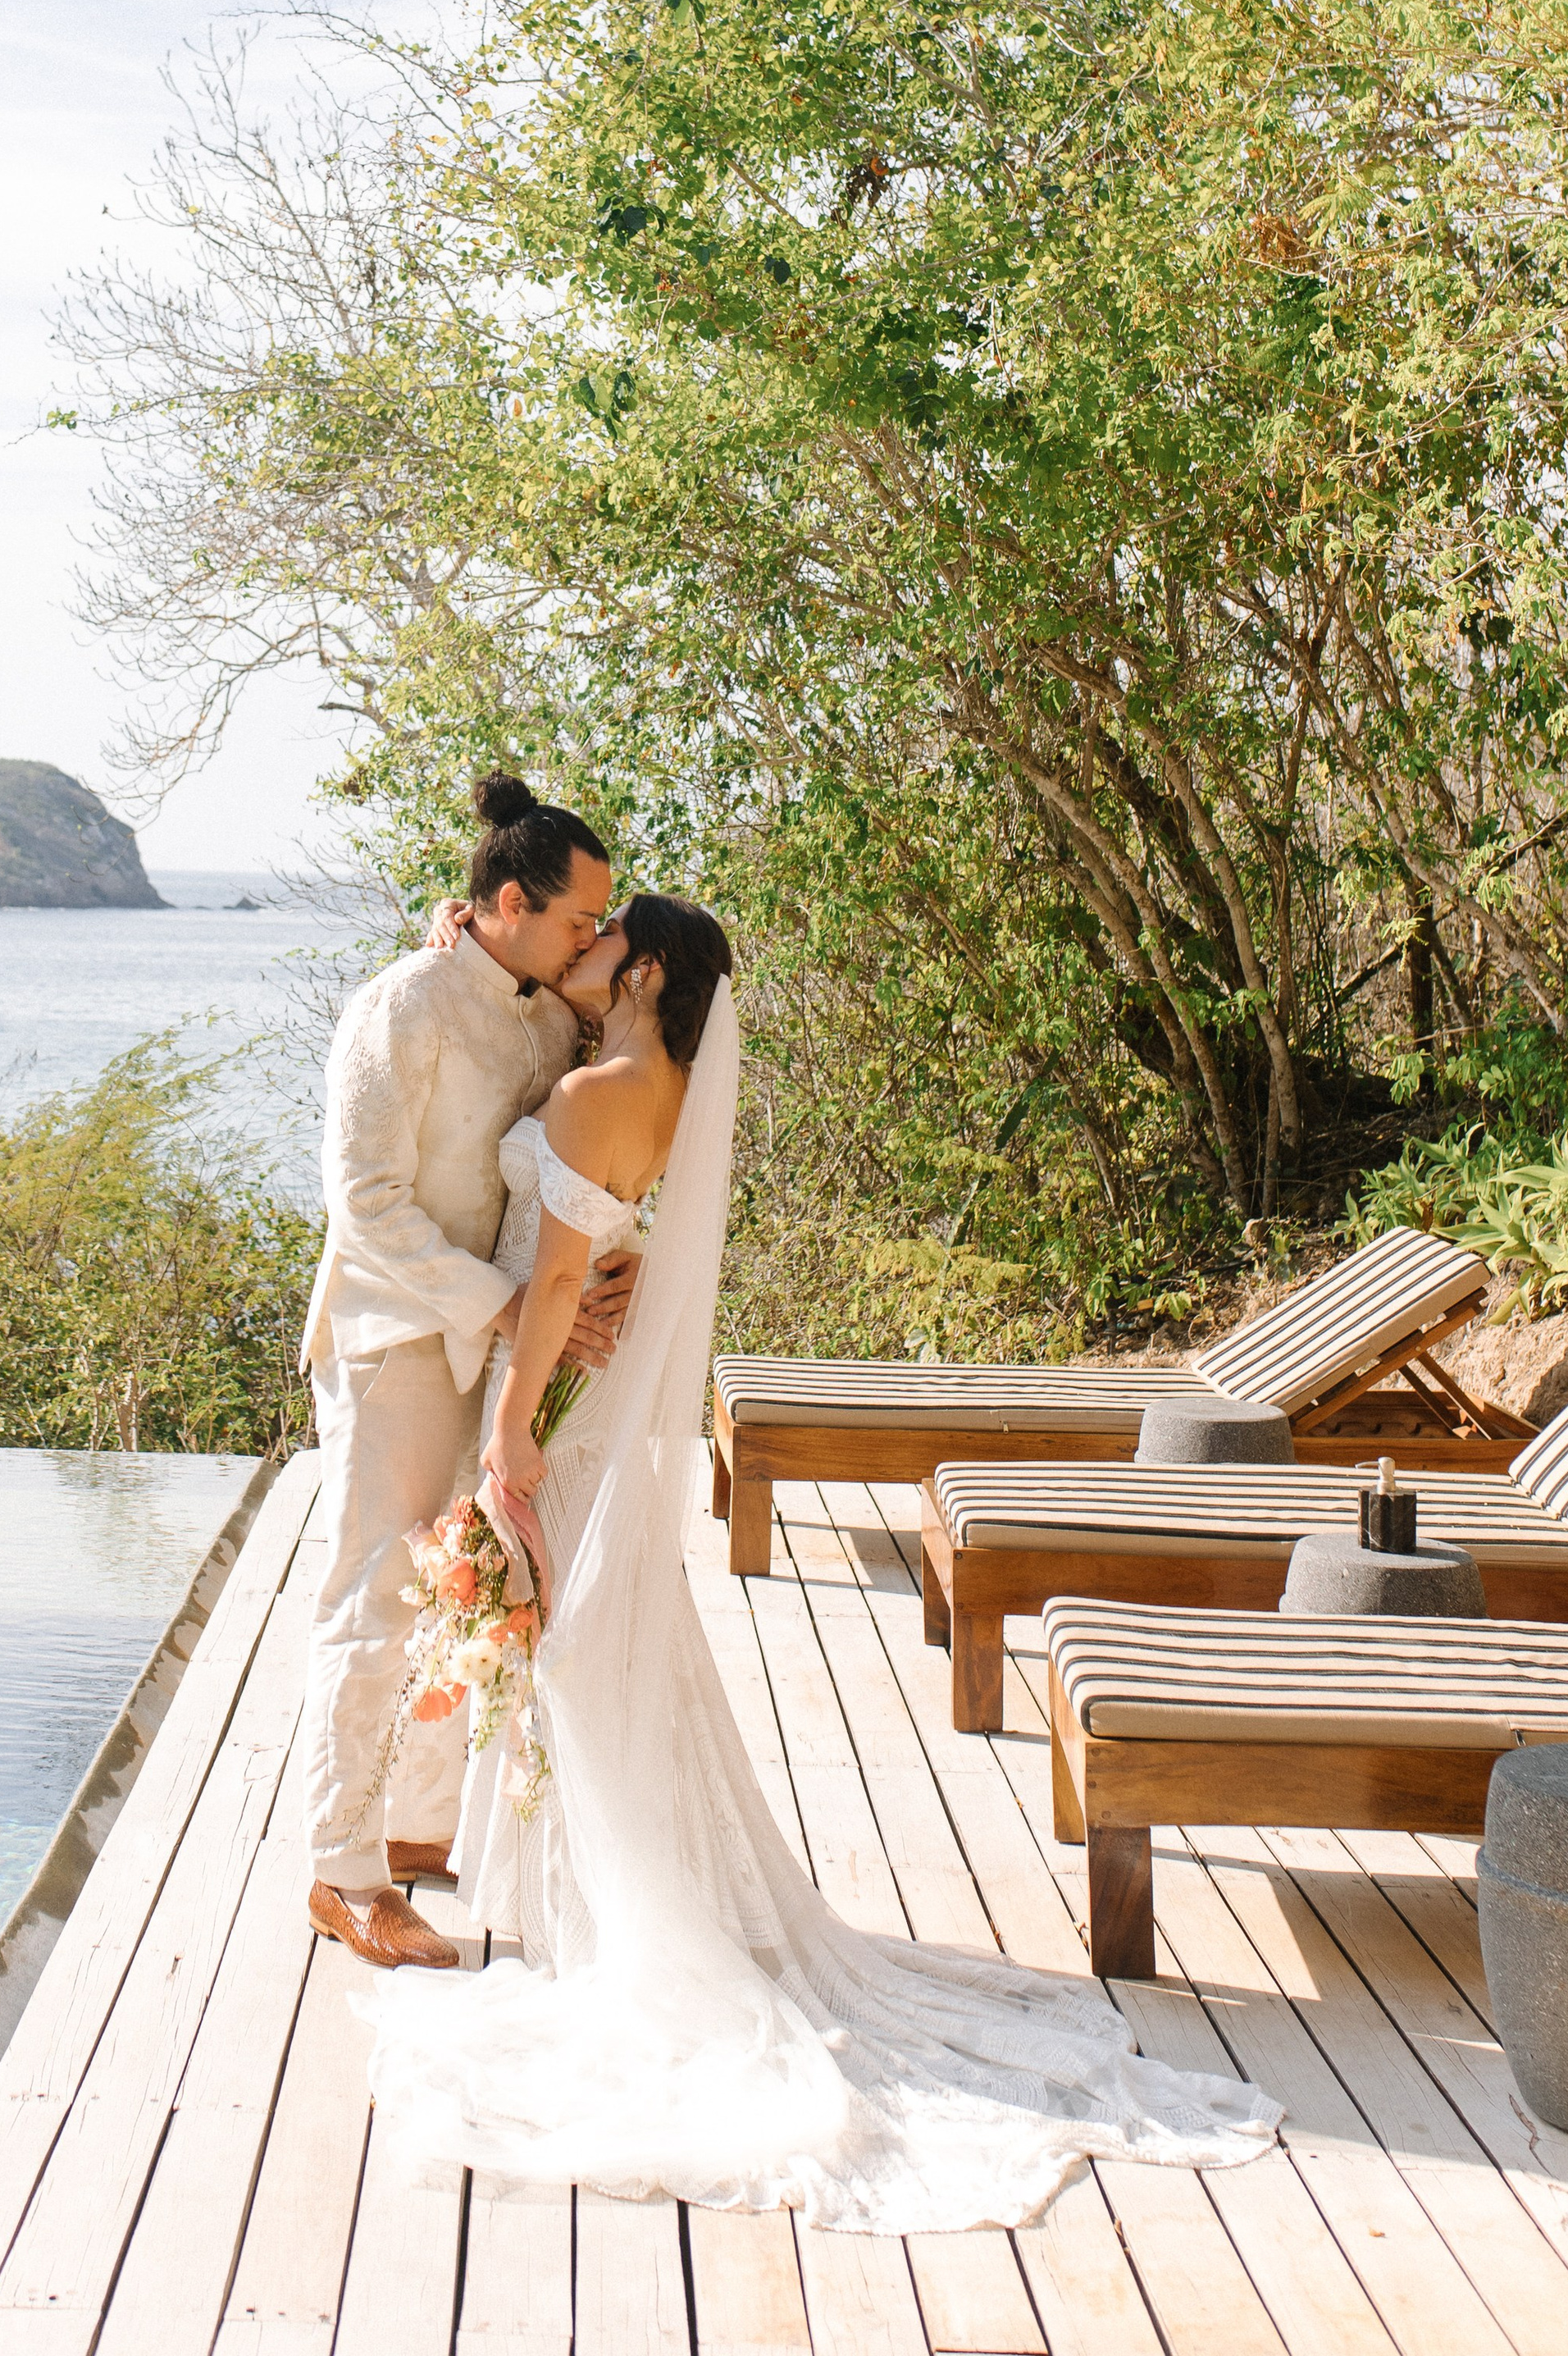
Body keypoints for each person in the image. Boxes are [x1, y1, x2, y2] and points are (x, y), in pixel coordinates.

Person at [363, 897, 1283, 2233]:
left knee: (582, 1660)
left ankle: (633, 1939)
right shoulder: (660, 1082)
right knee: (608, 1661)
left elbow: (558, 1289)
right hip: (606, 1406)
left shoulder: (591, 1095)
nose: (593, 941)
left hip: (562, 1412)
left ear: (651, 968)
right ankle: (623, 1918)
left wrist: (507, 1439)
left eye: (610, 933)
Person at [301, 774, 639, 1973]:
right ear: (502, 901)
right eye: (576, 920)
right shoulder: (398, 1006)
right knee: (370, 1594)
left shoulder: (551, 1015)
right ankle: (342, 1874)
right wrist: (511, 1311)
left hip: (492, 1347)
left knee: (458, 1585)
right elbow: (368, 1205)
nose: (592, 939)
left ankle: (415, 1825)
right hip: (396, 1336)